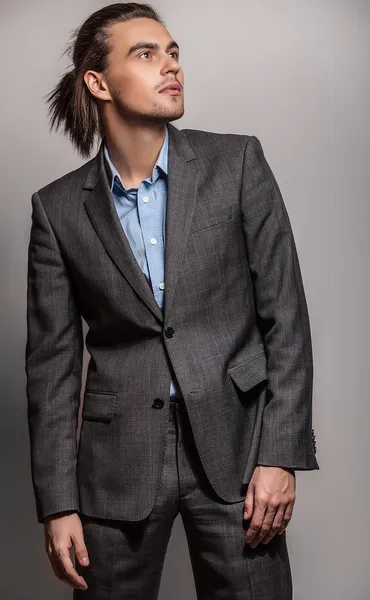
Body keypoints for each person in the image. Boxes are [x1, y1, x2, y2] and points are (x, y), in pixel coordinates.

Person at [25, 2, 319, 598]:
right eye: (146, 53)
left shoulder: (236, 164)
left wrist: (280, 455)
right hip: (117, 462)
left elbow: (285, 319)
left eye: (174, 52)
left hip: (237, 449)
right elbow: (52, 369)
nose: (171, 66)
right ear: (98, 82)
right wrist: (57, 505)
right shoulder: (56, 210)